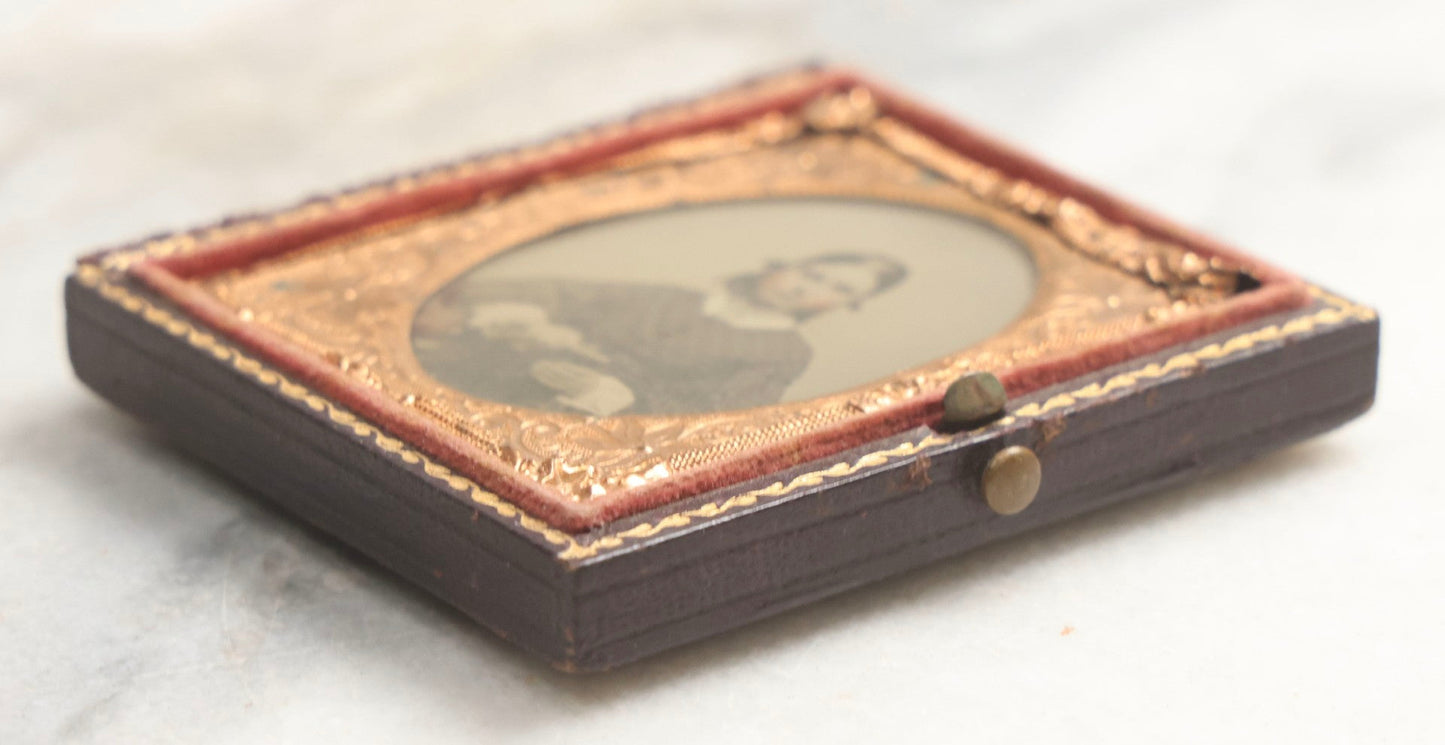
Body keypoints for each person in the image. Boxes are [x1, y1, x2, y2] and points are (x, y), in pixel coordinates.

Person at [411, 252, 906, 416]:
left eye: (835, 290)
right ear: (785, 266)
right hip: (490, 366)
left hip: (581, 416)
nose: (806, 289)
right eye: (813, 274)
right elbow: (562, 294)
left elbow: (715, 417)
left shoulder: (781, 351)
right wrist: (521, 314)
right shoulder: (673, 297)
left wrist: (622, 396)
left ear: (846, 306)